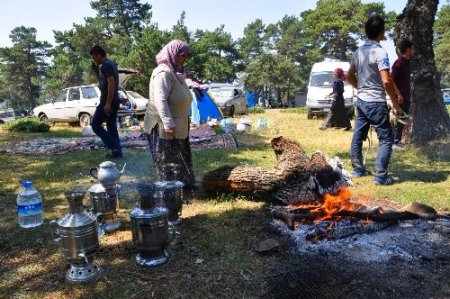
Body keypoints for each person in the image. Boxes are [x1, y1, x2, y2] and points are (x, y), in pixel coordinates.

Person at [347, 16, 402, 185]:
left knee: (358, 136)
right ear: (381, 32)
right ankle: (381, 176)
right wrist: (395, 102)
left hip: (361, 101)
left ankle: (358, 170)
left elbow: (349, 75)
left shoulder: (358, 51)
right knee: (386, 138)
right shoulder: (380, 52)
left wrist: (360, 88)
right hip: (376, 102)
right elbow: (386, 80)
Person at [143, 40, 195, 191]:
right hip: (163, 125)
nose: (185, 59)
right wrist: (168, 123)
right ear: (173, 54)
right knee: (167, 160)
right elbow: (161, 100)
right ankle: (168, 191)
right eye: (182, 56)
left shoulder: (176, 72)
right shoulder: (163, 73)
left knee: (180, 157)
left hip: (178, 123)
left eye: (187, 56)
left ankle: (184, 187)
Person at [90, 45, 123, 158]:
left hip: (108, 101)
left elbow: (111, 82)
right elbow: (104, 84)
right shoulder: (111, 64)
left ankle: (115, 146)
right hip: (115, 99)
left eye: (94, 57)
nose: (94, 60)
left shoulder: (106, 66)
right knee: (111, 126)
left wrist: (108, 103)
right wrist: (96, 72)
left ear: (99, 55)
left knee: (95, 125)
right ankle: (117, 153)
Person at [392, 39, 414, 149]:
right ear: (407, 50)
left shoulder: (407, 62)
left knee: (403, 120)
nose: (413, 51)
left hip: (406, 97)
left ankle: (397, 141)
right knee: (399, 120)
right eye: (412, 49)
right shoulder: (399, 63)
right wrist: (399, 95)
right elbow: (391, 81)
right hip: (399, 98)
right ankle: (395, 142)